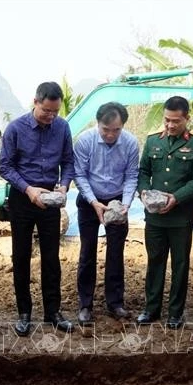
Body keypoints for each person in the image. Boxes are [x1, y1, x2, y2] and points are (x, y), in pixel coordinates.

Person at [0, 81, 76, 336]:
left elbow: (68, 161)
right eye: (46, 111)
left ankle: (53, 311)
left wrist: (63, 187)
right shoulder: (16, 129)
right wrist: (29, 190)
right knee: (21, 256)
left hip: (50, 199)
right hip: (23, 198)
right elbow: (6, 167)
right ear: (35, 102)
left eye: (55, 112)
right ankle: (24, 313)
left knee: (51, 258)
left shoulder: (62, 127)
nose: (50, 117)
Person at [136, 96, 193, 329]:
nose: (170, 125)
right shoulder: (152, 141)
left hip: (180, 217)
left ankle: (175, 313)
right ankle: (151, 309)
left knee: (179, 264)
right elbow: (143, 172)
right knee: (155, 261)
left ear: (186, 118)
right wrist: (145, 193)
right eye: (167, 120)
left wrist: (176, 198)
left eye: (176, 121)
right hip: (155, 216)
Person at [73, 102, 139, 325]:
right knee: (87, 252)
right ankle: (85, 304)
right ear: (97, 123)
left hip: (118, 201)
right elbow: (79, 175)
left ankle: (115, 303)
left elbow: (131, 176)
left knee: (115, 253)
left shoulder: (130, 142)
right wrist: (93, 202)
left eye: (116, 130)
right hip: (90, 200)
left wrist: (126, 204)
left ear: (123, 126)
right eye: (106, 129)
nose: (111, 134)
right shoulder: (85, 141)